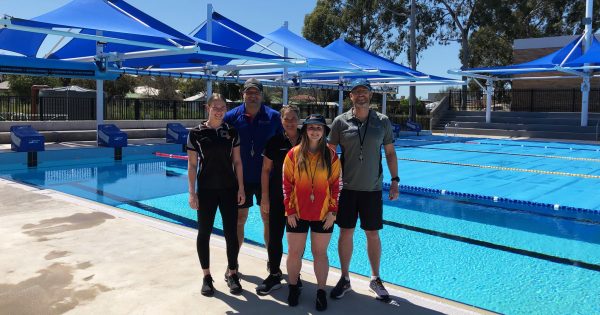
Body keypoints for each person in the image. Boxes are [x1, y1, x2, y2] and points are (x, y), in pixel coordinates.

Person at [328, 79, 400, 301]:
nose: (361, 95)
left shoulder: (382, 121)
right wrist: (328, 184)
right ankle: (345, 278)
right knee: (345, 232)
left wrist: (395, 179)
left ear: (370, 95)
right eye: (356, 92)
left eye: (364, 91)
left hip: (372, 189)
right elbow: (330, 153)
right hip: (347, 189)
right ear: (351, 96)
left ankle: (375, 278)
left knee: (372, 234)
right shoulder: (340, 122)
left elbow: (389, 152)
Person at [187, 93, 246, 296]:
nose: (219, 110)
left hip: (229, 189)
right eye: (216, 107)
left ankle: (232, 273)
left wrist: (241, 188)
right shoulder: (196, 133)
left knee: (231, 233)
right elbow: (192, 164)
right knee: (204, 233)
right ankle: (206, 276)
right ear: (208, 108)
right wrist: (192, 192)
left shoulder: (231, 132)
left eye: (223, 107)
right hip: (207, 190)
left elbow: (237, 162)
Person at [224, 78, 283, 271]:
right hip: (241, 179)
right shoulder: (231, 117)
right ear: (243, 95)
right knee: (239, 220)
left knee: (268, 220)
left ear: (261, 95)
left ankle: (271, 262)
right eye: (248, 92)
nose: (252, 95)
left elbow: (283, 145)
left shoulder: (273, 117)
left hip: (268, 178)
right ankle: (233, 263)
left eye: (256, 92)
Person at [283, 114, 341, 311]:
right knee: (294, 253)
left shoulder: (331, 156)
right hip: (297, 213)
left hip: (323, 214)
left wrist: (332, 211)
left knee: (320, 253)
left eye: (319, 128)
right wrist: (289, 211)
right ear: (305, 130)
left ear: (324, 131)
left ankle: (321, 291)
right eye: (311, 127)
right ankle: (292, 288)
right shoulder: (293, 154)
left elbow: (335, 185)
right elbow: (286, 185)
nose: (315, 131)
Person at [256, 105, 303, 295]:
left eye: (293, 118)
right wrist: (264, 197)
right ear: (281, 121)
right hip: (278, 197)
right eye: (287, 119)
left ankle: (295, 274)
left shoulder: (308, 139)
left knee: (297, 240)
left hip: (301, 200)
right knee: (275, 236)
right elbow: (266, 171)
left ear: (298, 119)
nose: (290, 122)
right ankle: (274, 274)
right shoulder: (274, 141)